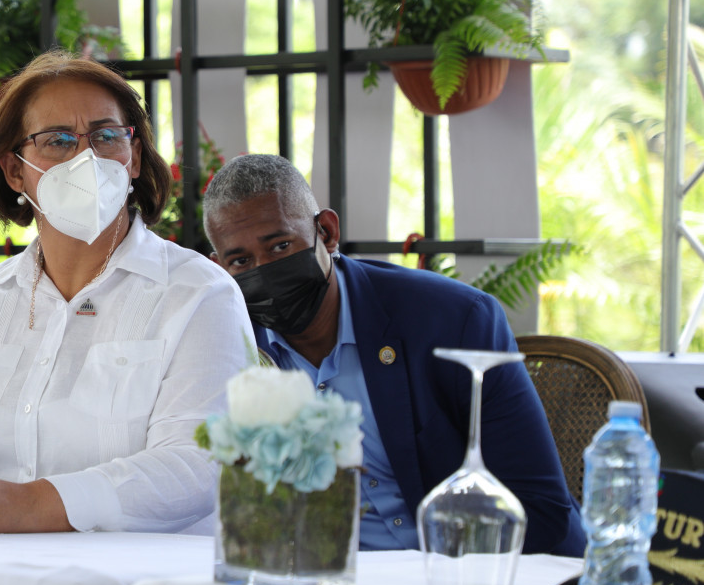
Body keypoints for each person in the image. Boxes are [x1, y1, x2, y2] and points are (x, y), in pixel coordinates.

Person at [0, 52, 252, 534]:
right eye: (57, 140)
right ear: (15, 172)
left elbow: (199, 464)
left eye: (106, 136)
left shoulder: (199, 295)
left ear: (134, 157)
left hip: (135, 578)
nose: (87, 159)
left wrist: (23, 505)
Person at [203, 154, 585, 556]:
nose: (264, 269)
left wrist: (422, 579)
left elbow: (538, 509)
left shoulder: (454, 320)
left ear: (327, 232)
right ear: (219, 269)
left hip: (469, 571)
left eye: (281, 246)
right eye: (241, 261)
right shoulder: (230, 346)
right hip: (329, 578)